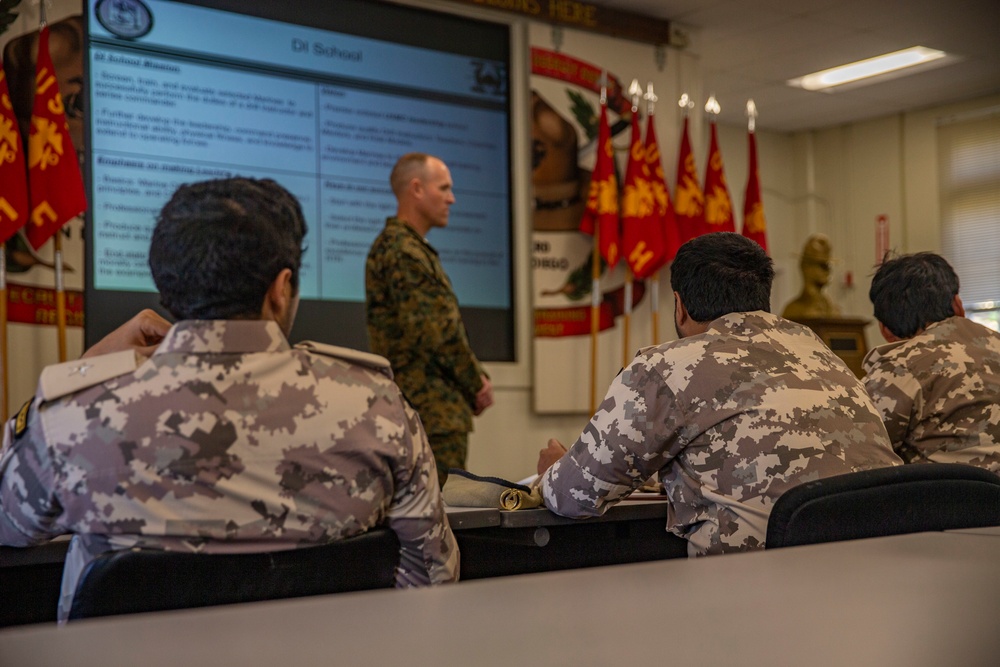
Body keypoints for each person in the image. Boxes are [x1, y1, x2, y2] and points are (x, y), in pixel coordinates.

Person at [0, 178, 459, 622]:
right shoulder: (379, 407)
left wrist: (85, 368)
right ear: (280, 290)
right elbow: (432, 578)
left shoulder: (74, 417)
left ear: (169, 284)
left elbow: (9, 524)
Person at [536, 232, 901, 556]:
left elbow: (572, 496)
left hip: (753, 596)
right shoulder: (821, 353)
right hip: (873, 576)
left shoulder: (669, 365)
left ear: (679, 306)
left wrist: (552, 471)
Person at [365, 153, 493, 485]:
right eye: (444, 188)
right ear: (417, 189)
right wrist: (475, 382)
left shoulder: (407, 248)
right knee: (437, 516)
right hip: (429, 413)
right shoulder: (402, 251)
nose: (452, 198)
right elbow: (436, 333)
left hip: (429, 410)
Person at [863, 252, 1000, 473]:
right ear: (958, 305)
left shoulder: (899, 367)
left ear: (885, 330)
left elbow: (861, 452)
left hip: (951, 504)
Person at [781, 233, 841, 320]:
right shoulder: (792, 310)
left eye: (828, 265)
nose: (828, 271)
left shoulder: (832, 309)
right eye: (821, 265)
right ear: (806, 267)